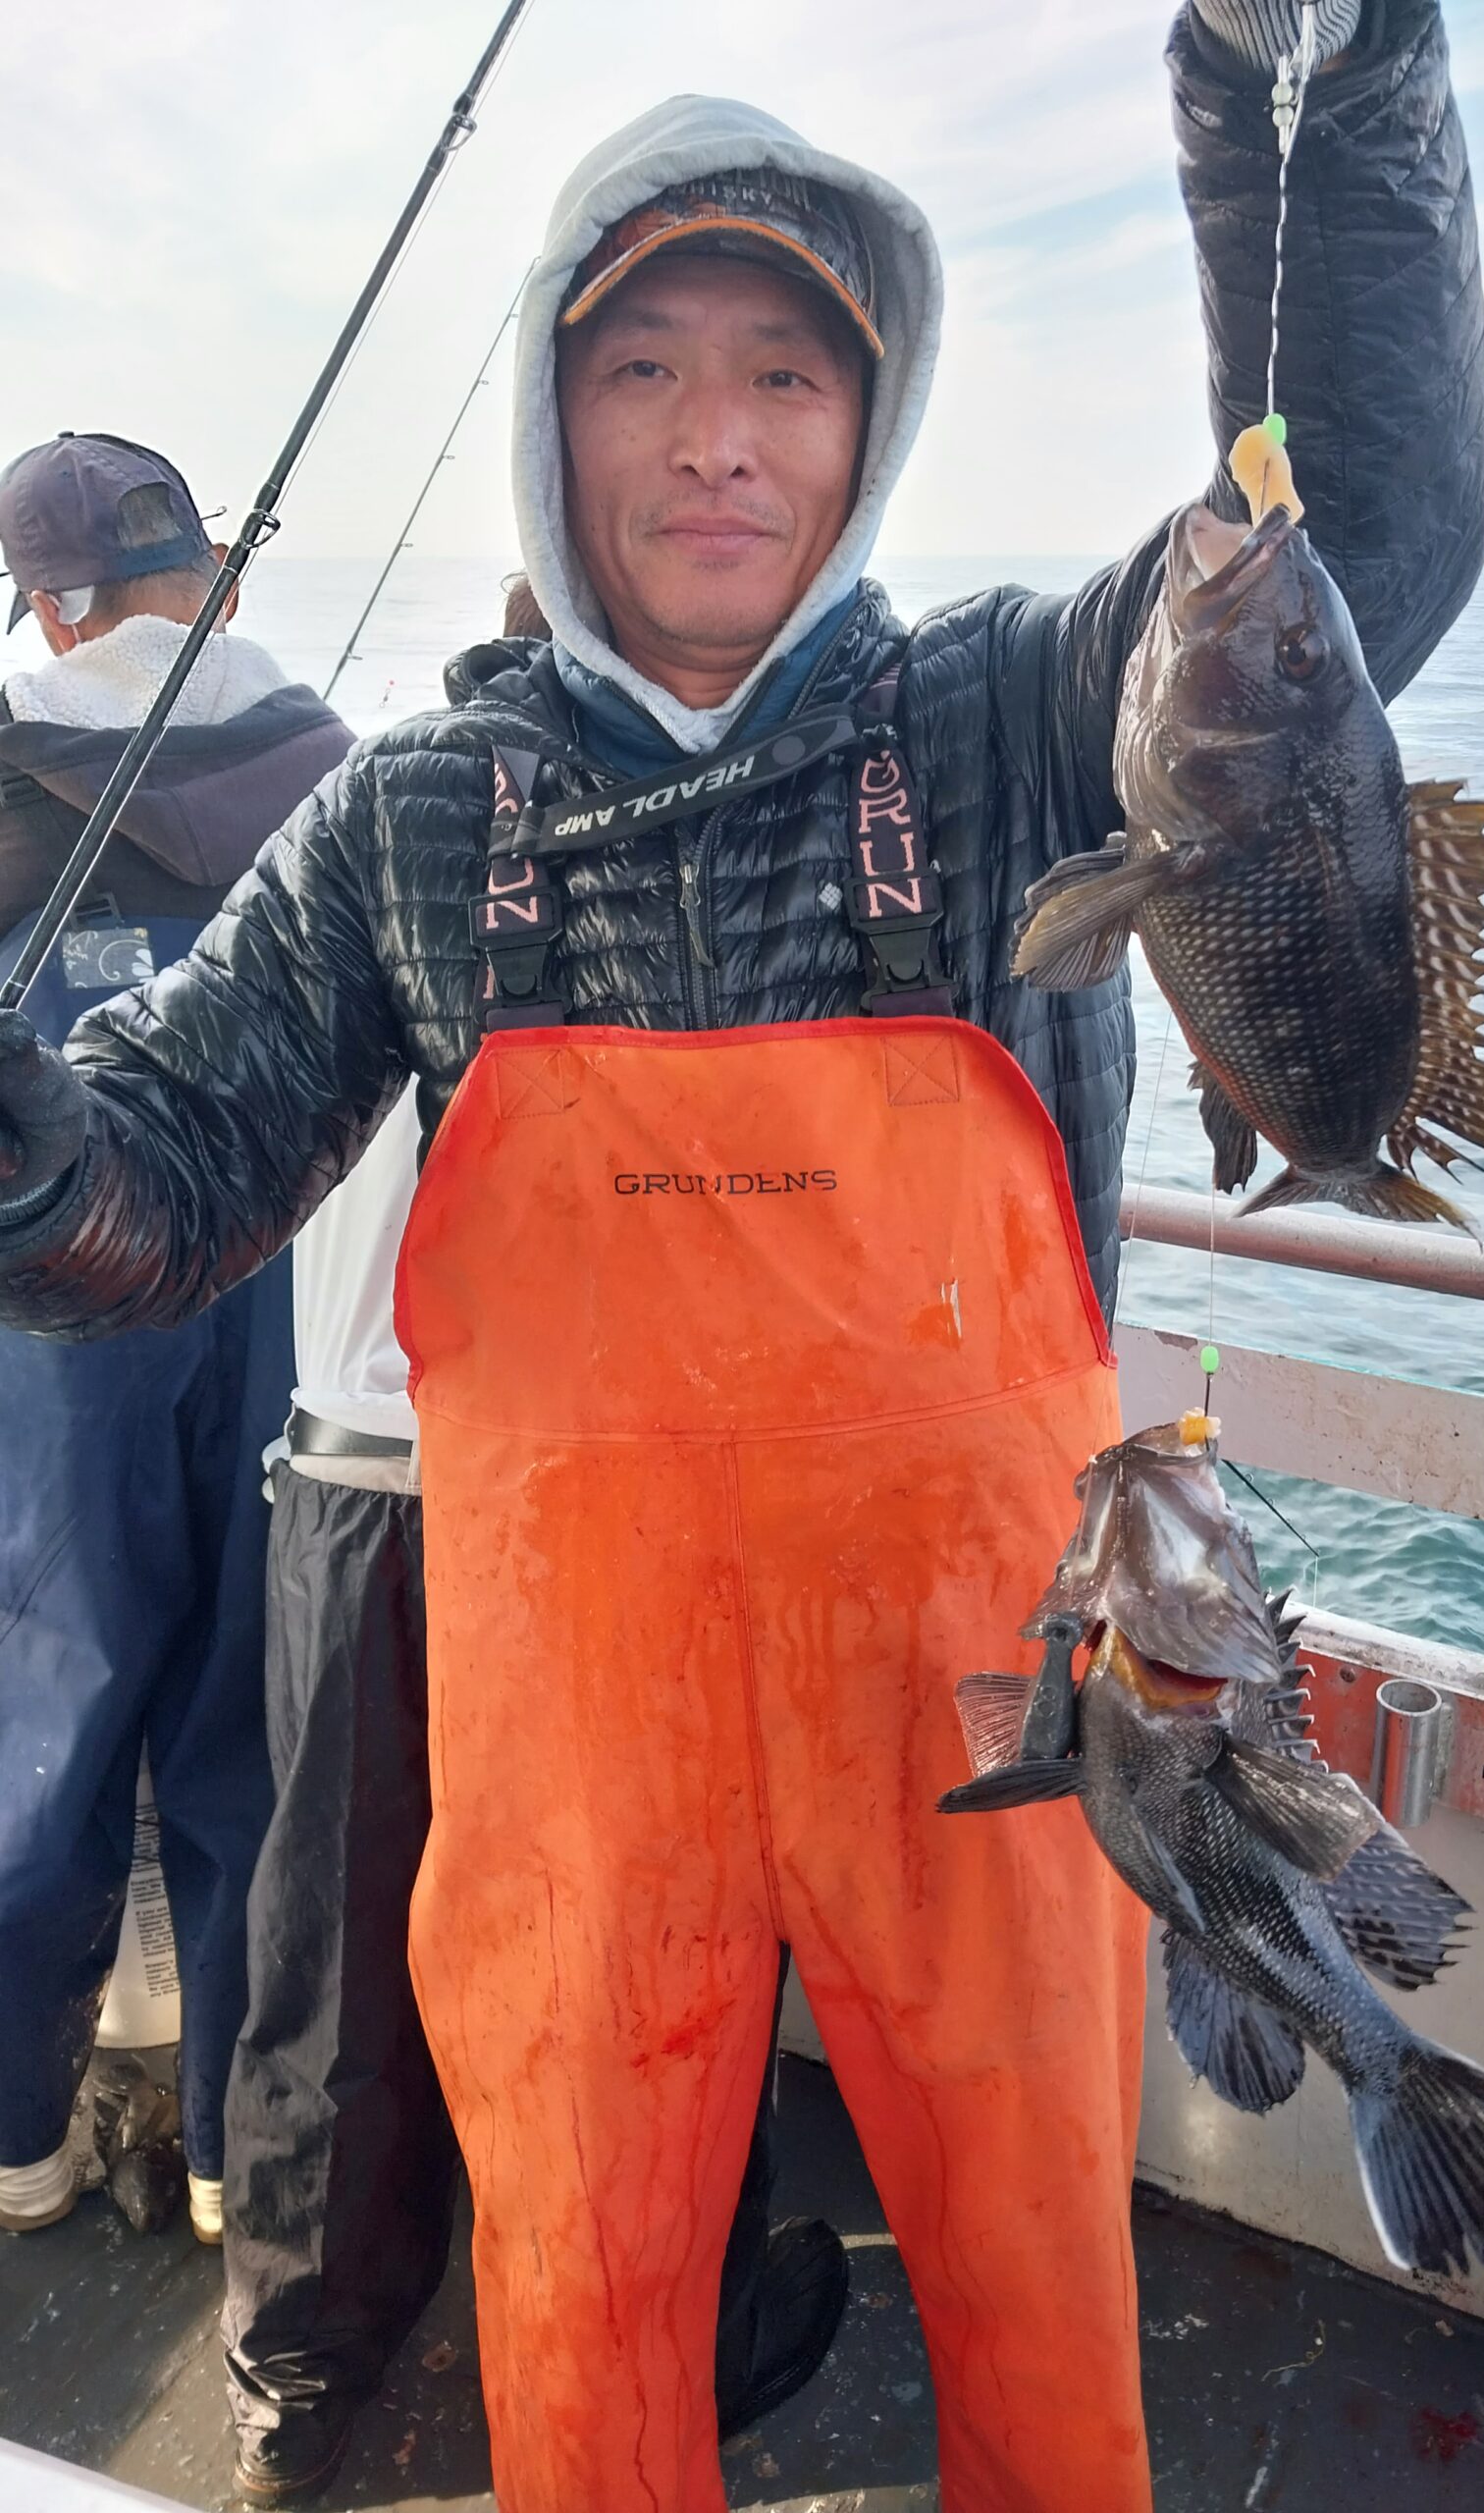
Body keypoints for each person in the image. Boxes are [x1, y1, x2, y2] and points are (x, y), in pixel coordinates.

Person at [0, 6, 1484, 2507]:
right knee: (578, 2306)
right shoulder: (414, 815)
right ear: (551, 417)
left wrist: (1292, 85)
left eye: (786, 374)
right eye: (648, 369)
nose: (717, 437)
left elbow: (1364, 525)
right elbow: (161, 1182)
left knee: (1036, 2285)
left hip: (1000, 1715)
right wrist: (38, 1158)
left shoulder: (1023, 709)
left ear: (867, 419)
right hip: (579, 1754)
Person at [219, 579, 848, 2510]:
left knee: (337, 1951)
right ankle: (686, 2334)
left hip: (355, 1483)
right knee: (674, 1960)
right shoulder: (688, 901)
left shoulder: (351, 850)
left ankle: (302, 2362)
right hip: (600, 1522)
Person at [0, 433, 350, 2242]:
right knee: (252, 1739)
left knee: (43, 1721)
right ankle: (229, 2154)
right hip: (283, 1296)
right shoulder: (339, 769)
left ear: (50, 608)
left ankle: (20, 2141)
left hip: (69, 1326)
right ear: (209, 577)